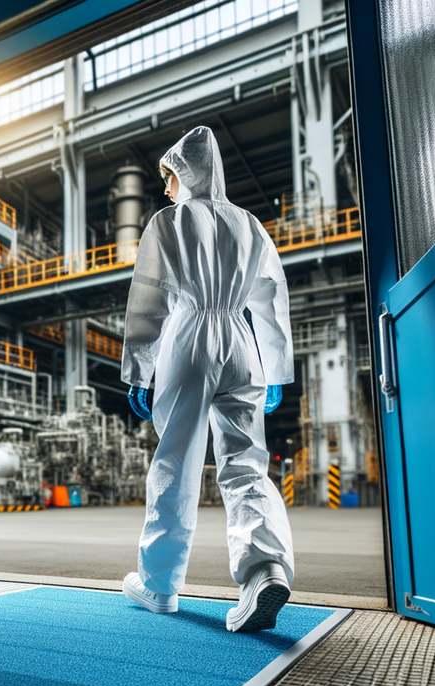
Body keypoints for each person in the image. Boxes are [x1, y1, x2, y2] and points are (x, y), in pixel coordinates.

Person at [120, 126, 295, 633]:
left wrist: (140, 369)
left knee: (176, 460)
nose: (166, 187)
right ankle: (265, 570)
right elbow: (271, 297)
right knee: (246, 463)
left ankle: (159, 586)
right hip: (242, 343)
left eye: (169, 176)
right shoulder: (249, 223)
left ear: (185, 173)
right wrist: (275, 369)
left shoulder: (169, 221)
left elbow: (150, 299)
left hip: (190, 337)